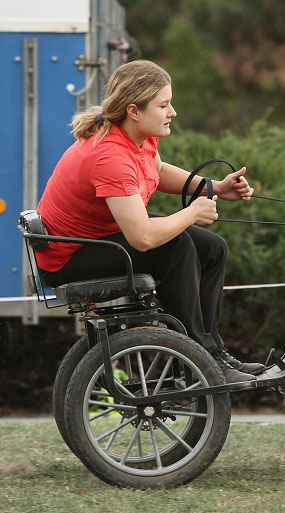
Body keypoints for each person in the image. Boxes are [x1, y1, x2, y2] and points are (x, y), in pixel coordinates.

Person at [35, 60, 263, 383]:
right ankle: (197, 359)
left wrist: (217, 188)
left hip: (97, 237)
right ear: (134, 110)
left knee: (213, 248)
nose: (173, 112)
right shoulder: (111, 155)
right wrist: (192, 213)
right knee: (177, 244)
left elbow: (157, 170)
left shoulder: (137, 135)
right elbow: (142, 237)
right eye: (164, 105)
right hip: (67, 258)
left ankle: (210, 352)